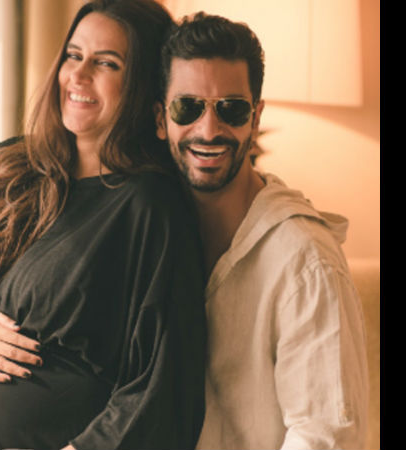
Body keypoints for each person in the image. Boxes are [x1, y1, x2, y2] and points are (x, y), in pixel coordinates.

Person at [0, 1, 207, 449]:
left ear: (141, 85)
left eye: (106, 63)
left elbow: (160, 382)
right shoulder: (8, 165)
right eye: (73, 55)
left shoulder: (148, 206)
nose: (78, 75)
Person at [152, 12, 370, 450]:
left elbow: (325, 438)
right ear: (161, 119)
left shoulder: (306, 260)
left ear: (255, 118)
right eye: (188, 107)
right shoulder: (151, 232)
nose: (208, 130)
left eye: (231, 109)